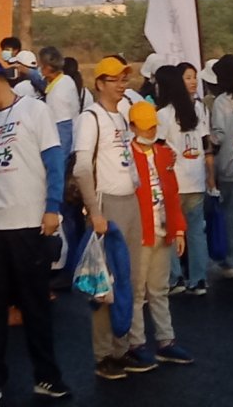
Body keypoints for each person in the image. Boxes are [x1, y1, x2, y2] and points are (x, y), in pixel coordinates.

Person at [0, 54, 71, 404]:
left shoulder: (35, 111)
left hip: (29, 225)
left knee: (35, 306)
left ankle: (47, 377)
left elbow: (54, 161)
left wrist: (53, 207)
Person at [70, 55, 153, 379]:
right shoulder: (90, 118)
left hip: (129, 199)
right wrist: (95, 211)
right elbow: (81, 168)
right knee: (105, 282)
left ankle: (123, 347)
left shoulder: (120, 116)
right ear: (100, 83)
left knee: (129, 278)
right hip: (107, 204)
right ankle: (104, 355)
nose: (121, 84)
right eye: (115, 79)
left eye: (124, 79)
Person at [126, 98, 195, 364]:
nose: (151, 131)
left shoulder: (164, 153)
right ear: (133, 126)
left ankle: (165, 340)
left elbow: (173, 193)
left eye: (153, 126)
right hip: (140, 232)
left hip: (162, 230)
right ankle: (136, 342)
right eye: (146, 127)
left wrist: (178, 230)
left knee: (159, 289)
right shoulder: (125, 157)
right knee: (137, 291)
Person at [153, 62, 212, 296]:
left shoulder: (163, 114)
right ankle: (199, 279)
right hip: (196, 178)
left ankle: (175, 277)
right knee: (196, 231)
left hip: (173, 181)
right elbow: (206, 142)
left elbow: (158, 147)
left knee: (171, 231)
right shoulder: (198, 109)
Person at [206, 55, 233, 285]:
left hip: (228, 167)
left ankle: (230, 263)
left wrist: (207, 142)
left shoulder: (221, 101)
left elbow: (220, 135)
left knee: (230, 217)